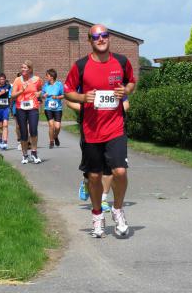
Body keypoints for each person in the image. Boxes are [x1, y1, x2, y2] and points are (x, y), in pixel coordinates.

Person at [64, 24, 135, 238]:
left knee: (120, 171)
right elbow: (67, 92)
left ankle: (118, 209)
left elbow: (131, 82)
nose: (101, 39)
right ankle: (97, 216)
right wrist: (83, 97)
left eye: (104, 35)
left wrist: (126, 90)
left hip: (115, 127)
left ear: (109, 38)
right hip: (91, 130)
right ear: (90, 40)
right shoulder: (81, 65)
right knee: (94, 177)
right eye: (96, 36)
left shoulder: (121, 62)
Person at [11, 60, 42, 164]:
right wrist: (21, 91)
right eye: (22, 67)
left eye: (25, 68)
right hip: (21, 108)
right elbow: (12, 96)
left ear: (30, 69)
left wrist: (39, 94)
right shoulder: (17, 80)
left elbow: (41, 90)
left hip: (33, 107)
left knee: (33, 130)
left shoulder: (37, 79)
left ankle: (34, 153)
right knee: (23, 133)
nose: (23, 69)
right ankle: (25, 155)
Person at [42, 69, 64, 149]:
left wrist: (57, 97)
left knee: (57, 127)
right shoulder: (46, 85)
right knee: (51, 125)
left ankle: (55, 136)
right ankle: (51, 141)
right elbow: (42, 95)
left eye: (47, 75)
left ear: (51, 77)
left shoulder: (59, 85)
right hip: (48, 108)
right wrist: (44, 95)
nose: (46, 77)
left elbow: (63, 95)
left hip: (58, 108)